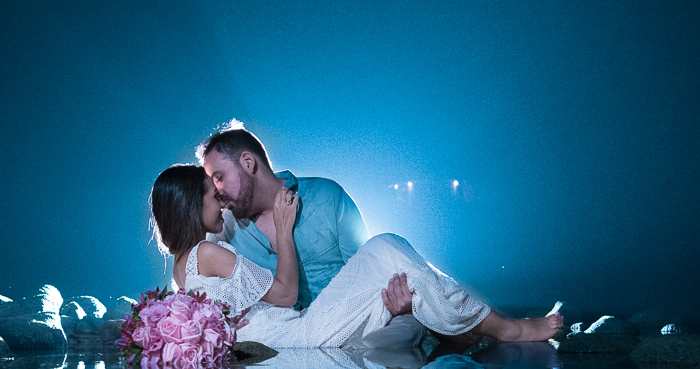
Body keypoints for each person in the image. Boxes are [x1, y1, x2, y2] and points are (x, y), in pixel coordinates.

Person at [149, 164, 564, 348]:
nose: (220, 201)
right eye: (210, 193)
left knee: (387, 252)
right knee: (387, 251)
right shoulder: (208, 251)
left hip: (289, 334)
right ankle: (509, 330)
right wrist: (285, 229)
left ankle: (472, 329)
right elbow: (286, 293)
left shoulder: (182, 268)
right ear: (189, 206)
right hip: (298, 338)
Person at [198, 124, 369, 310]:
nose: (218, 193)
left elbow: (368, 271)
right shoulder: (224, 229)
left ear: (248, 162)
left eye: (219, 178)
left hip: (352, 319)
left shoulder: (325, 196)